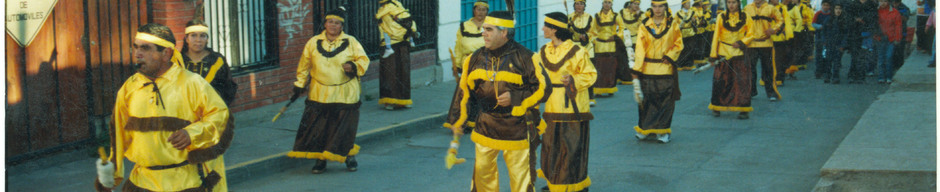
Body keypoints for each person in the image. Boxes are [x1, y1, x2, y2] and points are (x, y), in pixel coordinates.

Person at [94, 23, 233, 192]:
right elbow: (118, 135)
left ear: (166, 53)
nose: (138, 54)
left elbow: (220, 117)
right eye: (136, 47)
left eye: (145, 48)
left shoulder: (192, 83)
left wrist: (192, 133)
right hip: (141, 184)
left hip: (186, 184)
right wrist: (110, 178)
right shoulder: (129, 88)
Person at [450, 11, 550, 192]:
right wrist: (457, 120)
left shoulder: (526, 57)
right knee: (482, 175)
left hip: (517, 127)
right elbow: (463, 92)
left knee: (521, 177)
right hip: (486, 125)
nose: (483, 33)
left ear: (504, 33)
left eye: (489, 29)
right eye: (483, 29)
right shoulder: (475, 58)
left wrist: (516, 97)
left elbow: (544, 89)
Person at [287, 7, 370, 174]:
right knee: (320, 128)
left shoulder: (351, 42)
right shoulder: (313, 42)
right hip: (320, 93)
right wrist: (299, 84)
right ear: (325, 24)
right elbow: (304, 66)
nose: (333, 25)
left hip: (345, 93)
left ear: (342, 26)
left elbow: (363, 59)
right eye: (330, 21)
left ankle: (348, 155)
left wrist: (353, 66)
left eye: (337, 23)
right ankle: (321, 160)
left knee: (343, 127)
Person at [535, 12, 596, 192]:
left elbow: (591, 74)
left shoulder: (578, 51)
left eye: (546, 25)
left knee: (571, 148)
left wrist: (573, 80)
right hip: (551, 106)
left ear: (554, 29)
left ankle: (574, 185)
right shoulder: (544, 50)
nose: (542, 29)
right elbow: (536, 74)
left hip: (572, 105)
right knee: (551, 147)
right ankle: (555, 183)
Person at [631, 0, 684, 143]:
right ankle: (646, 129)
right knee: (647, 101)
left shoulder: (672, 24)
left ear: (665, 7)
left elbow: (678, 43)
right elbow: (640, 49)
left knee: (665, 101)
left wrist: (670, 56)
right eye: (655, 6)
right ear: (651, 7)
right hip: (648, 68)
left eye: (661, 6)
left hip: (665, 68)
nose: (658, 9)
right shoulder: (644, 25)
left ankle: (663, 131)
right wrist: (637, 69)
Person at [444, 0, 489, 133]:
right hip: (468, 64)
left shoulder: (491, 26)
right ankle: (461, 122)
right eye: (478, 9)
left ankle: (480, 123)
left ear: (487, 12)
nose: (480, 12)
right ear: (473, 10)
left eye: (483, 9)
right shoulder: (464, 26)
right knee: (464, 94)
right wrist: (457, 65)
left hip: (484, 64)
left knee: (482, 94)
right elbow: (459, 47)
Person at [708, 0, 756, 119]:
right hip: (723, 53)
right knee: (720, 81)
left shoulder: (746, 16)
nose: (731, 5)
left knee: (742, 82)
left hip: (739, 53)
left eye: (734, 2)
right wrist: (713, 55)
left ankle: (743, 109)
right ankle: (716, 106)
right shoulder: (721, 17)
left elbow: (752, 33)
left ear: (739, 3)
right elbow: (716, 37)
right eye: (728, 2)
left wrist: (741, 42)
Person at [181, 19, 238, 106]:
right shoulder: (178, 61)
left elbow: (228, 88)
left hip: (211, 112)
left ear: (207, 39)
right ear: (186, 39)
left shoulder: (217, 61)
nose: (198, 40)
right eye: (193, 35)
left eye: (202, 36)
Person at [376, 0, 419, 110]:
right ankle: (404, 100)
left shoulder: (384, 11)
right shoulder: (399, 7)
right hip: (404, 44)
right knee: (403, 72)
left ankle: (389, 101)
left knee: (389, 73)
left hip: (391, 45)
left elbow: (386, 28)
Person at [743, 0, 784, 100]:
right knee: (750, 69)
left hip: (766, 43)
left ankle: (771, 93)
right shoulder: (747, 8)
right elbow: (741, 23)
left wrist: (774, 29)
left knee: (768, 69)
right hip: (751, 44)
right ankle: (751, 91)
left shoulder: (771, 8)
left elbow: (781, 21)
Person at [591, 0, 624, 96]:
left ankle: (610, 88)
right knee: (599, 68)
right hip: (600, 45)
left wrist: (616, 36)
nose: (607, 4)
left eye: (609, 3)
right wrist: (595, 39)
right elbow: (593, 30)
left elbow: (622, 27)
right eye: (605, 2)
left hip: (611, 45)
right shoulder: (597, 16)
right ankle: (598, 89)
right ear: (602, 4)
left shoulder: (616, 15)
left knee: (611, 68)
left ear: (611, 4)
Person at [569, 0, 597, 105]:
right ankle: (575, 95)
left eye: (581, 4)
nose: (578, 6)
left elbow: (594, 32)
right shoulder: (569, 18)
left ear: (584, 6)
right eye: (576, 4)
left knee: (587, 72)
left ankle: (590, 97)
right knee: (574, 72)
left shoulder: (589, 18)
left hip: (587, 48)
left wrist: (586, 36)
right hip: (574, 47)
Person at [815, 1, 850, 84]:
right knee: (828, 60)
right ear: (833, 9)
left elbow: (846, 34)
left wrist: (843, 45)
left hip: (839, 44)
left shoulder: (844, 20)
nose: (838, 11)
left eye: (840, 9)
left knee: (837, 62)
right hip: (829, 43)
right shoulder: (829, 19)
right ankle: (827, 76)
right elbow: (823, 31)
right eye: (836, 8)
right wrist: (824, 41)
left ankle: (835, 77)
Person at [846, 0, 879, 83]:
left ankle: (861, 76)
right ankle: (852, 75)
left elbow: (874, 18)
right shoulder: (852, 4)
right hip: (854, 33)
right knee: (854, 55)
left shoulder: (871, 5)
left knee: (864, 56)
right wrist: (855, 20)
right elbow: (847, 18)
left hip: (867, 33)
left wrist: (863, 19)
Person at [874, 0, 903, 83]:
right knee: (881, 58)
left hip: (891, 38)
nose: (882, 3)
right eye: (881, 1)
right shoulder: (876, 11)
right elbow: (873, 24)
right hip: (879, 38)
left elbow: (898, 26)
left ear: (888, 2)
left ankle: (889, 76)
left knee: (889, 57)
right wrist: (875, 35)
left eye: (885, 1)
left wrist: (897, 38)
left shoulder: (895, 12)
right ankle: (881, 77)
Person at [619, 0, 645, 85]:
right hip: (625, 39)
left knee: (635, 59)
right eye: (634, 4)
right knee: (624, 59)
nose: (636, 6)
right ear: (630, 4)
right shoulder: (623, 12)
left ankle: (636, 77)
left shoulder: (641, 14)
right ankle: (626, 77)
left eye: (638, 4)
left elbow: (644, 25)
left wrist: (638, 14)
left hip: (635, 39)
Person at [771, 0, 795, 86]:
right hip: (767, 38)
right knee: (769, 60)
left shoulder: (782, 8)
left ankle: (779, 78)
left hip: (780, 37)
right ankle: (768, 78)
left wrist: (788, 35)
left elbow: (787, 22)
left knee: (779, 60)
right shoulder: (766, 8)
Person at [813, 1, 833, 80]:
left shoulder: (831, 15)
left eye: (827, 5)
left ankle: (826, 71)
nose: (825, 7)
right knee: (818, 54)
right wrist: (821, 27)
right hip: (819, 36)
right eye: (824, 5)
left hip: (828, 37)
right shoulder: (818, 13)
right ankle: (818, 71)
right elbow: (813, 23)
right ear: (821, 6)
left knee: (826, 55)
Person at [677, 0, 699, 71]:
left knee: (690, 48)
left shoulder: (692, 12)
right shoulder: (678, 13)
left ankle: (689, 64)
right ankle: (680, 64)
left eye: (689, 3)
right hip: (682, 33)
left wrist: (694, 21)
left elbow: (697, 22)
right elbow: (675, 23)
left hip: (690, 32)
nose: (689, 5)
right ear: (683, 4)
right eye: (687, 3)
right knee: (682, 49)